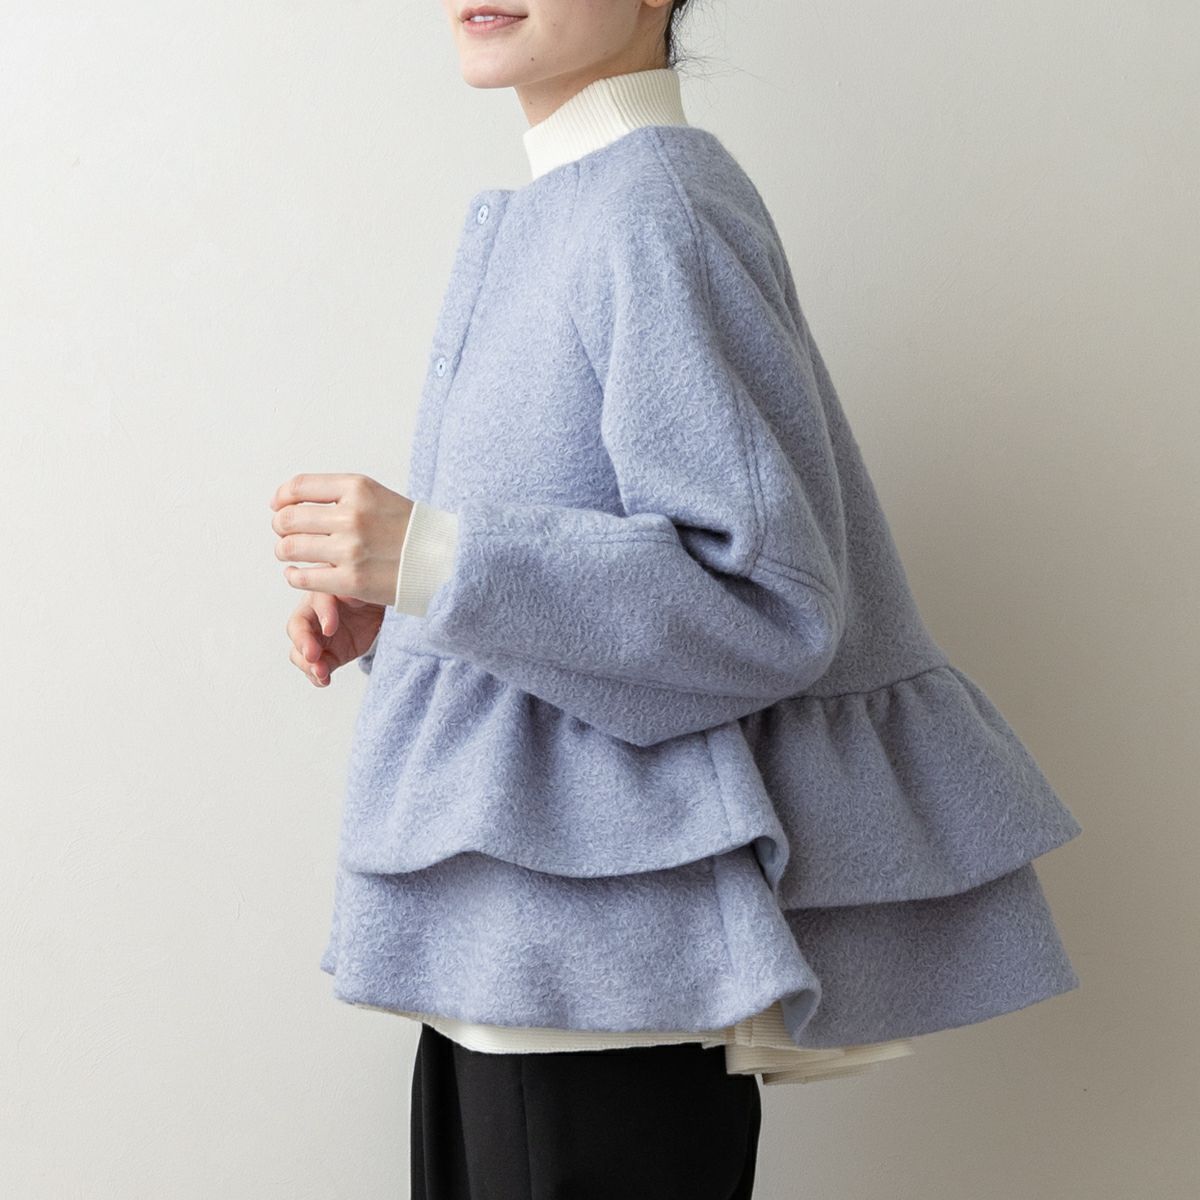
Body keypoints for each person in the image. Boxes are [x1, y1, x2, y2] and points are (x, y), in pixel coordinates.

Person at [268, 2, 1084, 1196]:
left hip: (601, 984)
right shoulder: (572, 204)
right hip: (521, 965)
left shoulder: (652, 206)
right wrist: (417, 602)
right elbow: (600, 558)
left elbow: (768, 596)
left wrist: (440, 556)